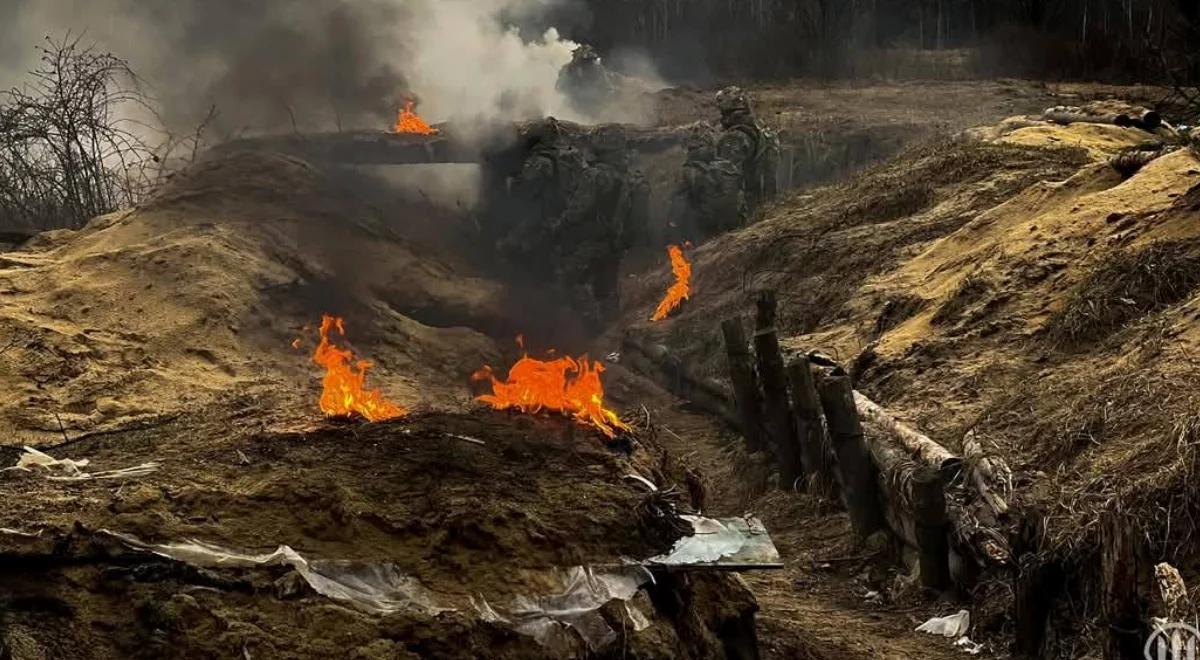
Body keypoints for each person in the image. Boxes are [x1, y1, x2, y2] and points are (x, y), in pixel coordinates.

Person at [551, 123, 648, 324]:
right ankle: (611, 330)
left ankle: (588, 325)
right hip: (615, 244)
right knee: (606, 289)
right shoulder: (633, 177)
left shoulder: (595, 175)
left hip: (590, 243)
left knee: (569, 281)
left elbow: (576, 212)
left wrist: (557, 228)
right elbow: (638, 219)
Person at [496, 117, 585, 275]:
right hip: (565, 213)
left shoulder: (539, 161)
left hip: (542, 216)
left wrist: (512, 181)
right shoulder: (570, 157)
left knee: (506, 247)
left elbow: (523, 191)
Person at [670, 124, 746, 241]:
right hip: (734, 226)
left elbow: (679, 203)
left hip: (706, 226)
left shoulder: (690, 171)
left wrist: (673, 224)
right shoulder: (729, 166)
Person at [713, 86, 780, 213]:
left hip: (746, 207)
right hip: (764, 202)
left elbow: (727, 181)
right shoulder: (760, 128)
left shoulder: (734, 138)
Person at [557, 44, 616, 115]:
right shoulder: (569, 70)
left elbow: (607, 86)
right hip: (574, 105)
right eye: (585, 62)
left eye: (590, 61)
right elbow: (560, 88)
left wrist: (607, 96)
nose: (588, 65)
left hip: (594, 104)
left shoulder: (598, 69)